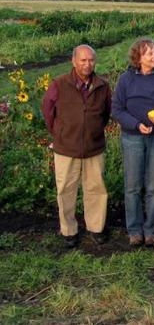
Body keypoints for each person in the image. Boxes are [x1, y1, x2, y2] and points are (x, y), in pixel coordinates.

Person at [41, 44, 112, 249]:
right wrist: (60, 133)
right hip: (66, 147)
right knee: (66, 190)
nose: (87, 64)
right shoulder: (59, 84)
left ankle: (96, 228)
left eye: (91, 60)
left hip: (94, 147)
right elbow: (48, 111)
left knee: (96, 189)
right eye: (83, 60)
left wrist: (94, 130)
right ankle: (68, 231)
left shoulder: (102, 85)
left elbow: (105, 114)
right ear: (74, 61)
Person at [112, 38, 154, 246]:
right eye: (150, 53)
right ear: (138, 58)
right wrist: (135, 124)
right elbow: (117, 109)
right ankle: (134, 230)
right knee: (132, 186)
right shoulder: (126, 80)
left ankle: (150, 230)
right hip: (133, 137)